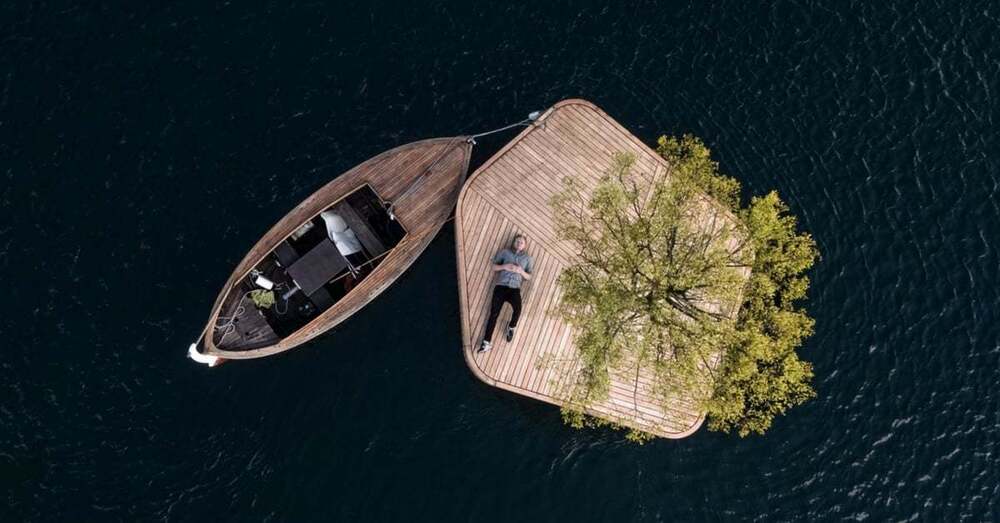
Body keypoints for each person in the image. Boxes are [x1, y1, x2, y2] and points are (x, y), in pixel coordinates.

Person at [479, 234, 533, 353]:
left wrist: (521, 271)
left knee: (518, 310)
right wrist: (505, 266)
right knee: (493, 314)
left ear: (525, 245)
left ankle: (511, 327)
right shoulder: (505, 252)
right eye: (517, 241)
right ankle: (486, 343)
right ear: (514, 242)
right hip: (500, 287)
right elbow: (493, 267)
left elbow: (529, 276)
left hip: (514, 289)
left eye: (522, 242)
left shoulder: (528, 259)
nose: (519, 243)